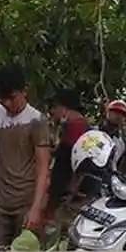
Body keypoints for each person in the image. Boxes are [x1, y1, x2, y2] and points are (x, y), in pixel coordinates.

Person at [0, 65, 53, 247]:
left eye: (12, 98)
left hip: (26, 202)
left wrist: (36, 207)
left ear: (23, 91)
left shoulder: (36, 120)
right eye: (3, 100)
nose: (8, 104)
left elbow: (43, 168)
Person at [47, 89, 90, 224]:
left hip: (65, 193)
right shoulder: (75, 126)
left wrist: (70, 193)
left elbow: (78, 166)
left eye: (55, 107)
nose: (53, 112)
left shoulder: (76, 128)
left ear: (64, 108)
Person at [100, 99, 126, 165]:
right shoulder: (93, 131)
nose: (119, 116)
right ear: (108, 112)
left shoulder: (121, 143)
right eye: (116, 112)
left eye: (123, 114)